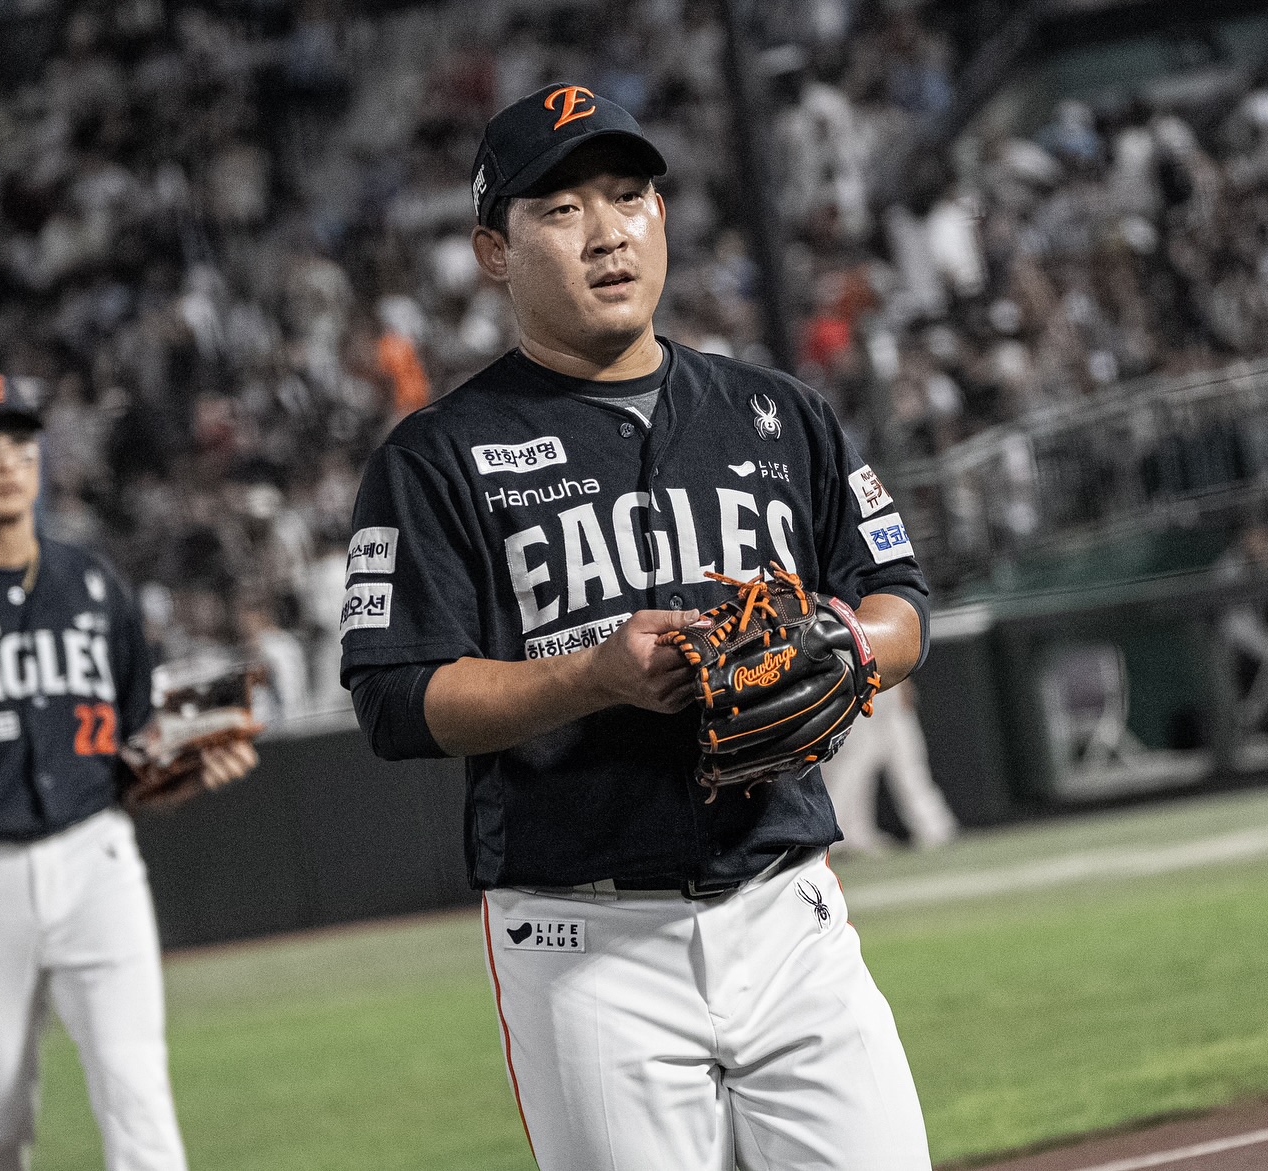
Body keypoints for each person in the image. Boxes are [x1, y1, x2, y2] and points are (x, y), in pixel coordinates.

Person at [341, 86, 934, 1170]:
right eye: (561, 209)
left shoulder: (777, 413)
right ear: (493, 250)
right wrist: (589, 677)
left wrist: (853, 648)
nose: (607, 232)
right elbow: (392, 697)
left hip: (789, 911)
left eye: (628, 195)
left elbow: (899, 597)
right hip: (584, 943)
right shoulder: (435, 457)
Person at [0, 374, 257, 1171]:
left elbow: (134, 743)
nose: (7, 462)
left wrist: (187, 769)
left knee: (137, 1093)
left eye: (20, 443)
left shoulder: (90, 583)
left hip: (97, 862)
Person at [820, 679, 959, 853]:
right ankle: (837, 834)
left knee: (906, 761)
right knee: (852, 765)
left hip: (883, 683)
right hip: (854, 685)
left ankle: (934, 827)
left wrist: (903, 682)